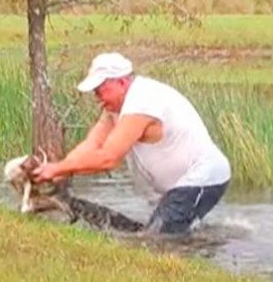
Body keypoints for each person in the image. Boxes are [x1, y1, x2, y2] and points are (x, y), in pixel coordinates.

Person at [32, 52, 231, 234]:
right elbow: (91, 145)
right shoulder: (116, 109)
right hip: (177, 186)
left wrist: (57, 169)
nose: (97, 99)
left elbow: (107, 159)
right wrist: (57, 171)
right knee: (158, 231)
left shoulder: (142, 102)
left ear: (121, 82)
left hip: (204, 177)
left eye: (100, 91)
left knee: (156, 240)